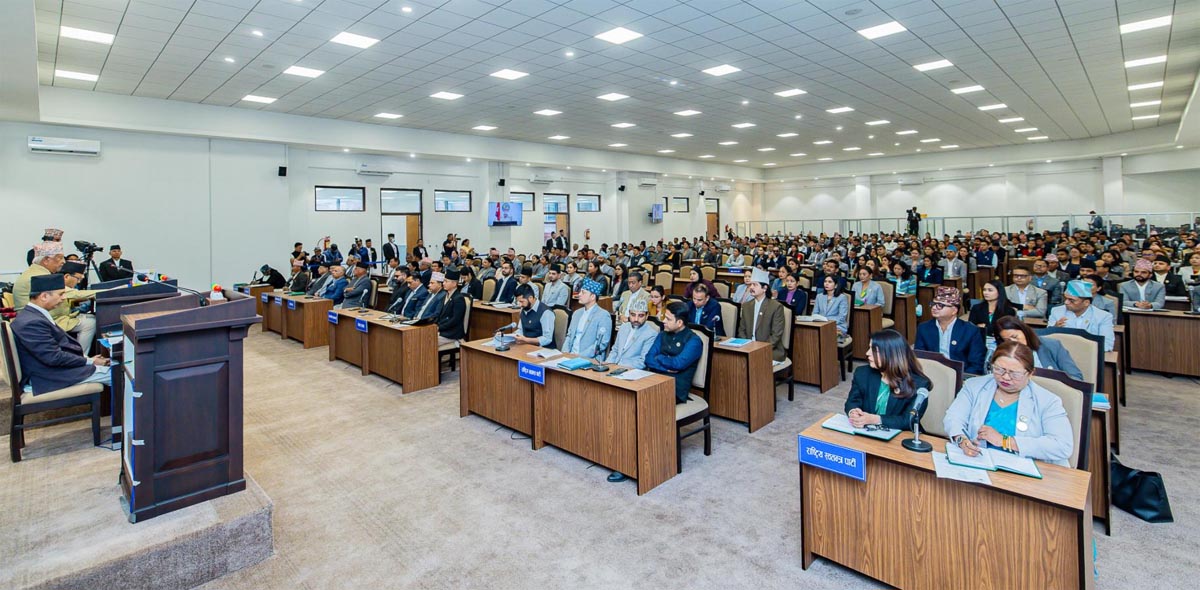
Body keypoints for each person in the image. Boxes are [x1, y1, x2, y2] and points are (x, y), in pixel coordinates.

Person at [944, 340, 1074, 467]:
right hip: (980, 463)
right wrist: (962, 440)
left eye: (1014, 374)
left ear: (1030, 373)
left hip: (1029, 470)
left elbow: (1062, 446)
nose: (1005, 377)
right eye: (999, 369)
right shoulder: (974, 386)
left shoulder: (1047, 401)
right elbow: (953, 418)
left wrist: (1005, 441)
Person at [10, 274, 112, 395]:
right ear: (44, 296)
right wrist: (89, 362)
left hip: (52, 370)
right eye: (61, 294)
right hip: (49, 377)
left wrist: (88, 360)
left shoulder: (32, 315)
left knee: (112, 369)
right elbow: (53, 357)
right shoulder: (32, 322)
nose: (64, 298)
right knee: (117, 374)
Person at [844, 329, 933, 430]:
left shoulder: (919, 384)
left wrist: (875, 419)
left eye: (874, 350)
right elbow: (852, 401)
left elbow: (908, 420)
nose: (867, 353)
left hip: (901, 435)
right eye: (869, 348)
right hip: (866, 431)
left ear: (891, 354)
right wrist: (853, 412)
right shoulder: (862, 373)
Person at [915, 286, 987, 374]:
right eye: (933, 304)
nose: (934, 308)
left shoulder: (970, 330)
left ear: (954, 310)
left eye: (940, 305)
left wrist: (960, 378)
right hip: (932, 374)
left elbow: (976, 365)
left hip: (961, 375)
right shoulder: (924, 328)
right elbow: (919, 358)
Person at [645, 301, 704, 405]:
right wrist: (664, 368)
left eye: (668, 319)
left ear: (679, 323)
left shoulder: (694, 341)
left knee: (646, 400)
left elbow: (678, 364)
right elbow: (648, 358)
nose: (663, 321)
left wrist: (659, 357)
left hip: (675, 388)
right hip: (654, 380)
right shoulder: (662, 334)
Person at [995, 316, 1083, 380]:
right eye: (1007, 340)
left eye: (1014, 336)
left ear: (1025, 331)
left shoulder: (1052, 345)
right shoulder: (1005, 353)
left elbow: (1076, 377)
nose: (1014, 342)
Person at [1049, 280, 1115, 351]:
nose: (1066, 302)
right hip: (1061, 353)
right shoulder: (1057, 311)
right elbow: (1047, 340)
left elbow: (1107, 345)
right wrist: (1054, 329)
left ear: (1086, 302)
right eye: (1065, 298)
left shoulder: (1103, 316)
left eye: (1071, 300)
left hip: (1089, 354)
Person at [735, 268, 786, 362]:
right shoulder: (746, 306)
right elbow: (741, 331)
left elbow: (776, 335)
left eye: (755, 285)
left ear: (764, 288)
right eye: (751, 284)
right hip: (748, 348)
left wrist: (758, 349)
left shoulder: (776, 307)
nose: (751, 287)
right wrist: (747, 347)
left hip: (769, 350)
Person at [53, 260, 100, 352]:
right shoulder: (60, 286)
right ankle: (80, 353)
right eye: (77, 279)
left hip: (64, 316)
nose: (78, 282)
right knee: (90, 324)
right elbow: (79, 294)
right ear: (66, 276)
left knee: (91, 317)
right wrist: (114, 290)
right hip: (56, 321)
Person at [562, 278, 611, 359]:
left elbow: (601, 344)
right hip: (570, 355)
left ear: (592, 296)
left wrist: (580, 356)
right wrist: (565, 353)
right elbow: (569, 335)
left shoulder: (603, 315)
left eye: (583, 292)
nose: (579, 294)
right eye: (580, 292)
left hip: (589, 358)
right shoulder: (577, 313)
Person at [605, 298, 657, 369]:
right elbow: (615, 350)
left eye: (640, 316)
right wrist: (607, 365)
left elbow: (643, 361)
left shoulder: (651, 334)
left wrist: (618, 366)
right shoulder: (624, 327)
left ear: (647, 315)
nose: (636, 319)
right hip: (614, 367)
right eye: (633, 315)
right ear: (629, 314)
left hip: (632, 370)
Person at [14, 241, 66, 311]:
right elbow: (63, 294)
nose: (64, 261)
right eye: (60, 258)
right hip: (34, 316)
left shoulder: (34, 272)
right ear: (46, 260)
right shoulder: (40, 277)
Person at [436, 269, 467, 346]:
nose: (443, 283)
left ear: (454, 283)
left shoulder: (458, 298)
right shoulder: (445, 295)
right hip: (441, 329)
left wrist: (439, 328)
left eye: (446, 281)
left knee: (427, 340)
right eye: (444, 281)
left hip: (452, 333)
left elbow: (455, 319)